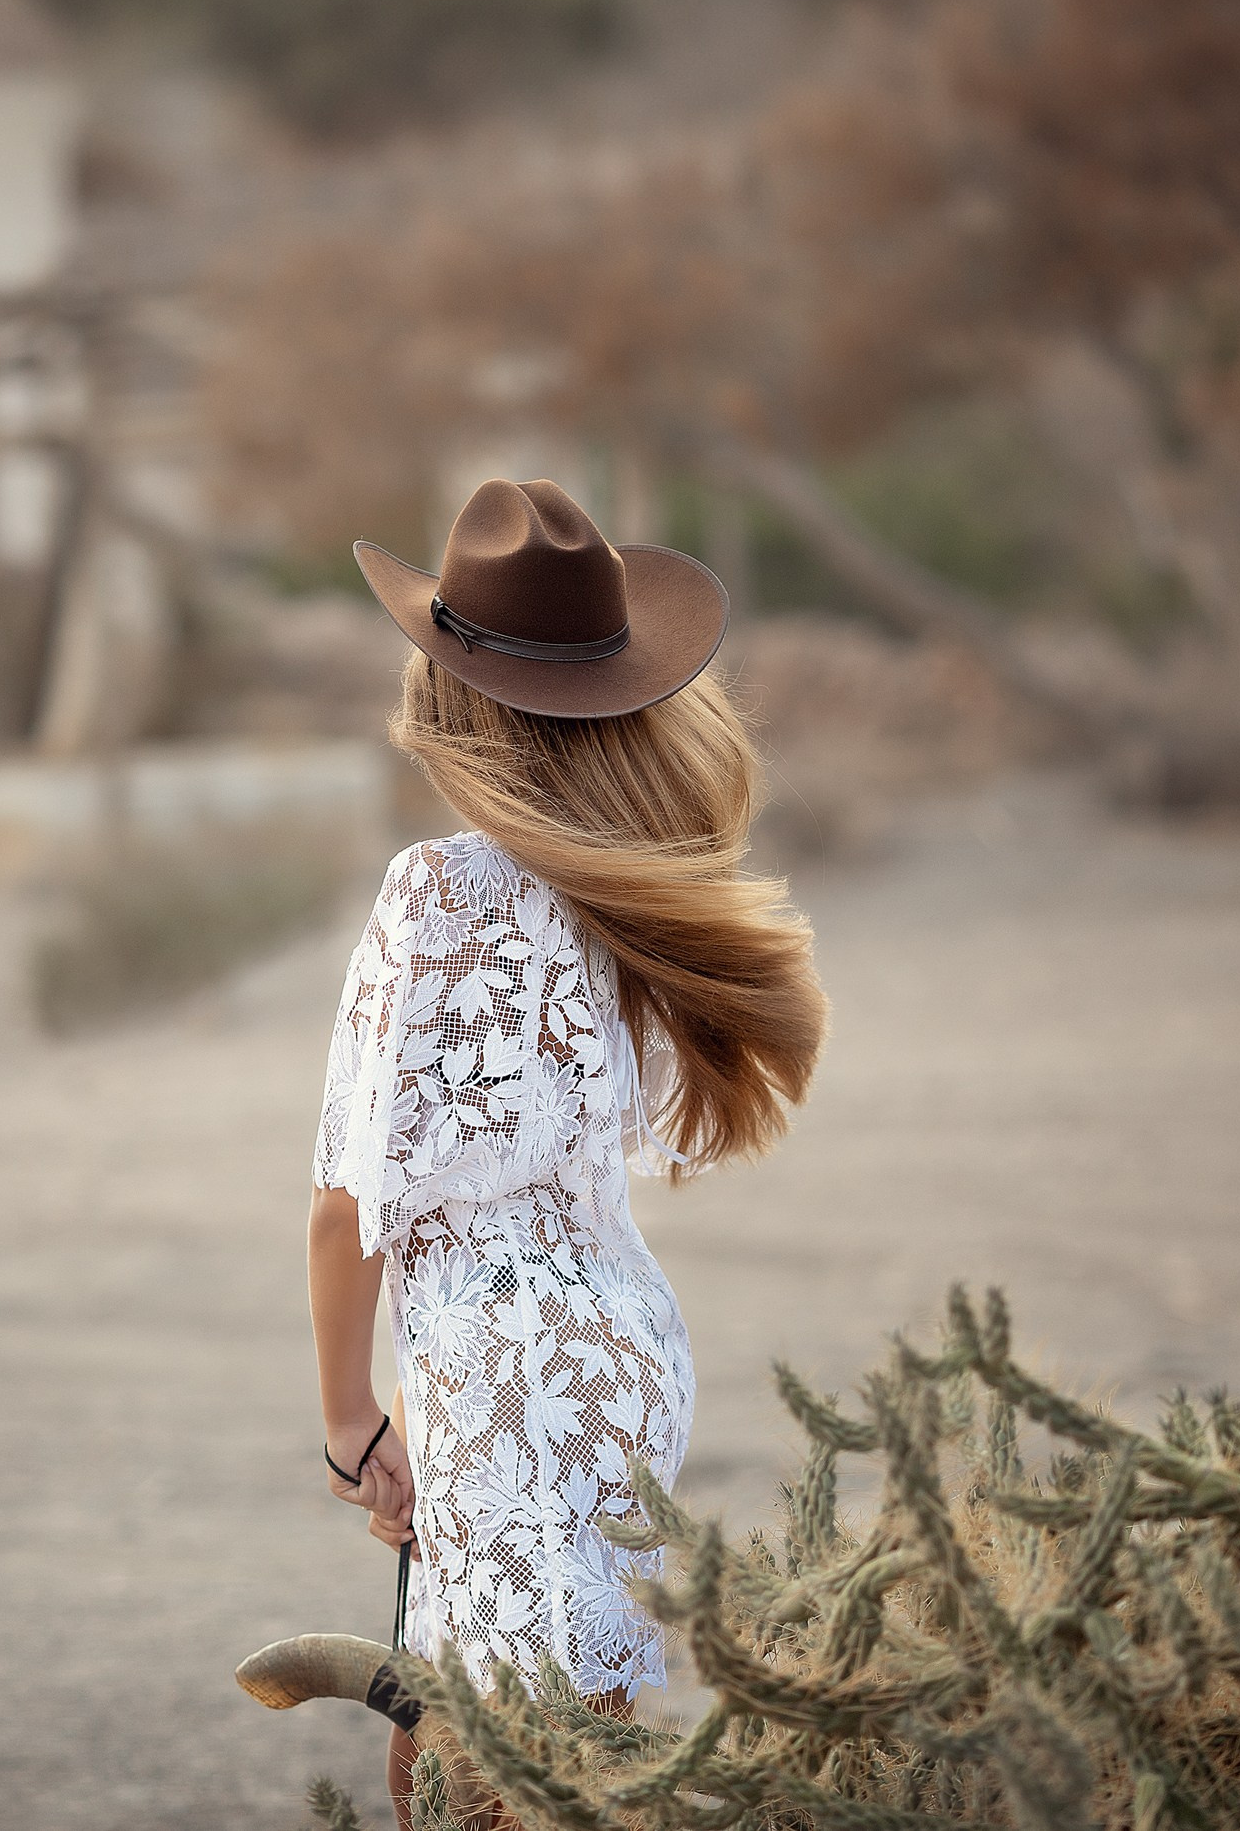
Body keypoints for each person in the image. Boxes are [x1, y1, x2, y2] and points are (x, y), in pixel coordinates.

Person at [306, 478, 828, 1824]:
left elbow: (343, 1200)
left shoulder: (433, 890)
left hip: (499, 1366)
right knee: (562, 1744)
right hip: (626, 1349)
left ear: (453, 695)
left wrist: (348, 1423)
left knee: (474, 1761)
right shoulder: (621, 888)